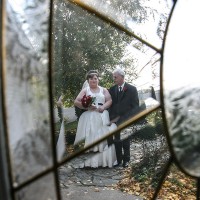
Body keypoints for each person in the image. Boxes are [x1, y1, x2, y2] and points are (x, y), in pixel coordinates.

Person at [73, 70, 117, 168]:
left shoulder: (103, 90)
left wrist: (103, 107)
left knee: (103, 136)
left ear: (98, 79)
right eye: (91, 78)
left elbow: (109, 100)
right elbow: (76, 102)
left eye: (95, 78)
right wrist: (87, 107)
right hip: (91, 116)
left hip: (102, 115)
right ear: (88, 80)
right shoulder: (86, 90)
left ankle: (104, 161)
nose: (94, 80)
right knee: (92, 136)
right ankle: (91, 162)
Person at [109, 68, 139, 168]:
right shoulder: (112, 89)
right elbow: (110, 105)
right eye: (113, 77)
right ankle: (119, 160)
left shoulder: (132, 89)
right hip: (115, 120)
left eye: (115, 77)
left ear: (122, 77)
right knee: (117, 140)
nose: (114, 79)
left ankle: (127, 160)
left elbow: (135, 106)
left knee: (126, 140)